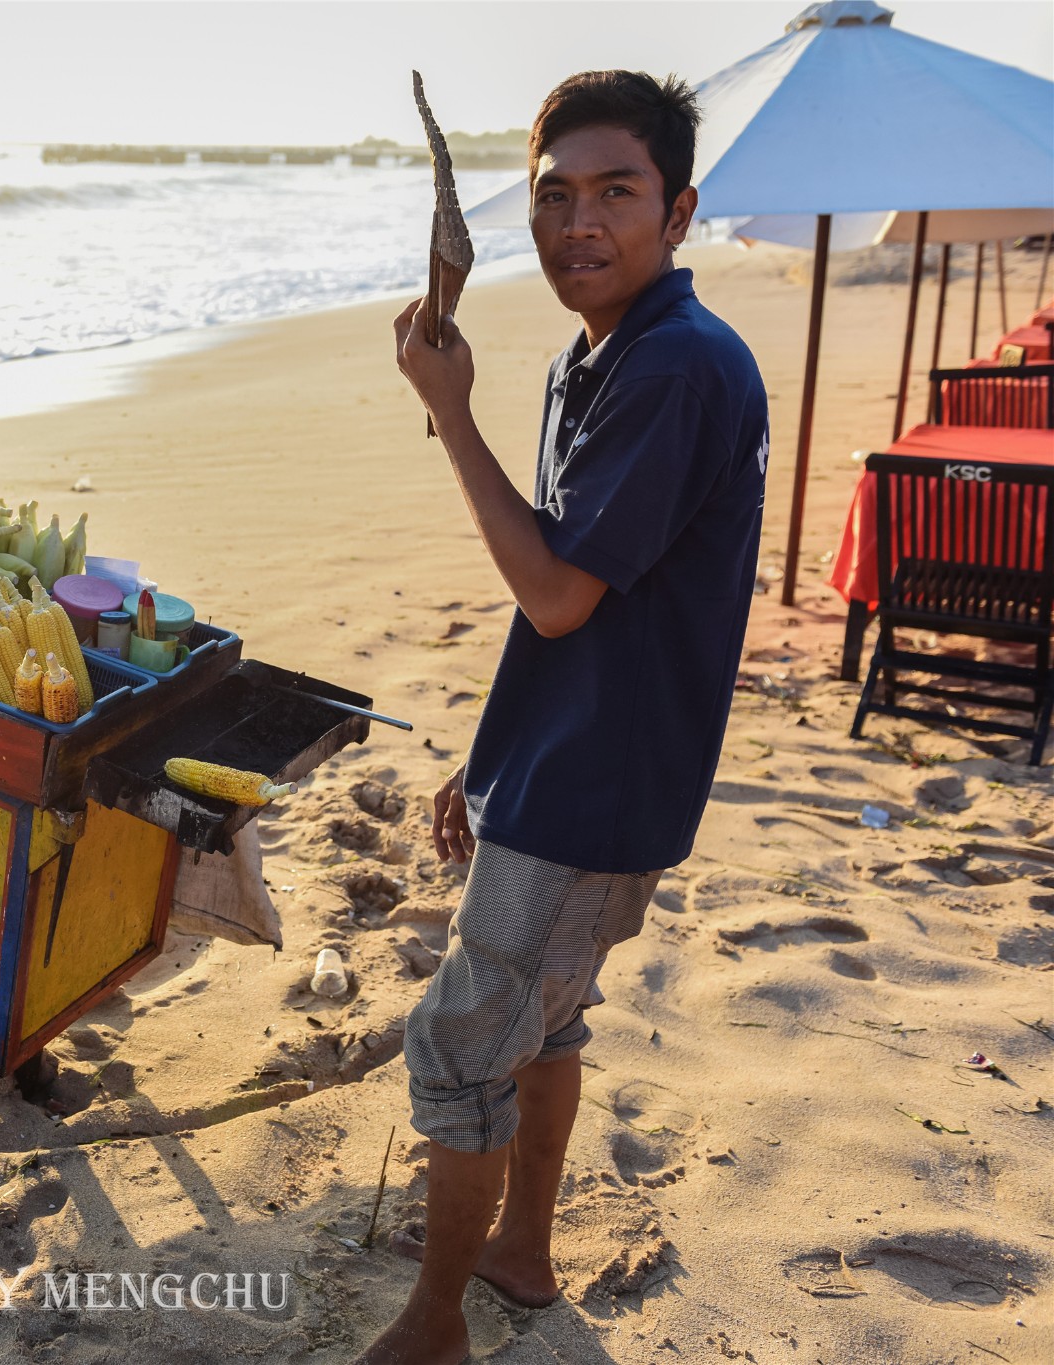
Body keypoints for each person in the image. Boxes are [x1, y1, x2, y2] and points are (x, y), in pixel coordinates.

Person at [360, 70, 769, 1365]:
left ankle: (435, 1328)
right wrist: (488, 764)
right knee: (545, 1021)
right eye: (554, 195)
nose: (578, 222)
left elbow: (548, 590)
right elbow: (560, 589)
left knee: (460, 1040)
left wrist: (446, 412)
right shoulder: (597, 354)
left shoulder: (677, 370)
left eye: (616, 192)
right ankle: (520, 1252)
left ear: (679, 210)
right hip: (567, 760)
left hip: (602, 787)